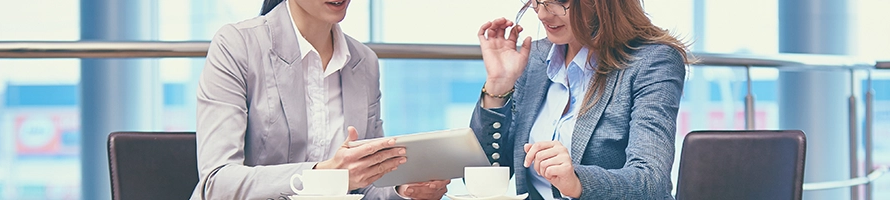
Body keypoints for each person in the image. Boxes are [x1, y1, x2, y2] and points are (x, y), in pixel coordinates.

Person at [191, 0, 449, 199]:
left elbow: (365, 186)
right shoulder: (237, 45)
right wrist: (325, 176)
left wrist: (404, 189)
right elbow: (217, 183)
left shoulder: (364, 62)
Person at [470, 0, 692, 199]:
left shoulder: (652, 61)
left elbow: (651, 182)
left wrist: (576, 182)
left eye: (560, 1)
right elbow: (483, 174)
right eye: (538, 0)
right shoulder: (536, 57)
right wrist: (498, 86)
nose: (542, 14)